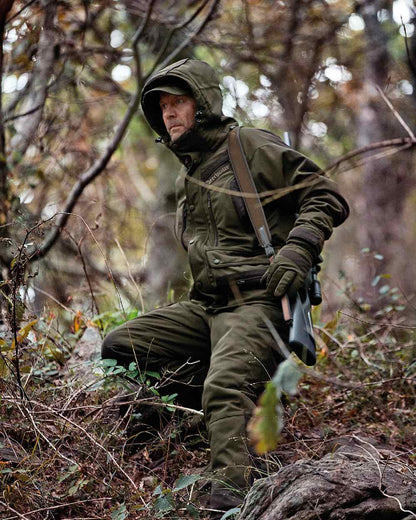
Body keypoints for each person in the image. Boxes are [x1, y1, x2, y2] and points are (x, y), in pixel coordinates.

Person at [101, 58, 349, 516]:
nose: (170, 113)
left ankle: (228, 502)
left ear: (205, 104)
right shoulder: (190, 174)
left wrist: (298, 248)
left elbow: (324, 194)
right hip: (208, 306)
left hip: (259, 300)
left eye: (179, 102)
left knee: (225, 386)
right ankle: (202, 433)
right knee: (123, 344)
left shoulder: (248, 145)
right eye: (162, 106)